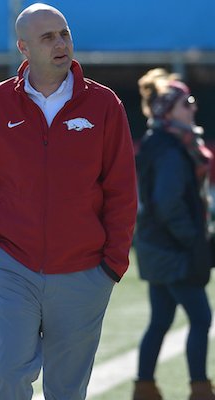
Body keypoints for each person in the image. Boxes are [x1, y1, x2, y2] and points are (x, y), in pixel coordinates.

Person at [0, 3, 138, 399]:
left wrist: (111, 264)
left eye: (64, 34)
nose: (60, 44)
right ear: (24, 48)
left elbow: (122, 189)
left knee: (66, 389)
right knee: (7, 374)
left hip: (85, 271)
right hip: (12, 265)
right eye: (47, 37)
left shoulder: (104, 104)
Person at [133, 68, 215, 400]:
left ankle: (145, 387)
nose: (193, 108)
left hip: (158, 246)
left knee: (162, 318)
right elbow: (168, 204)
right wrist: (192, 241)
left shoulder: (163, 142)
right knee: (201, 317)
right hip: (172, 249)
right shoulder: (169, 147)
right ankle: (200, 389)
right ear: (168, 110)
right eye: (186, 103)